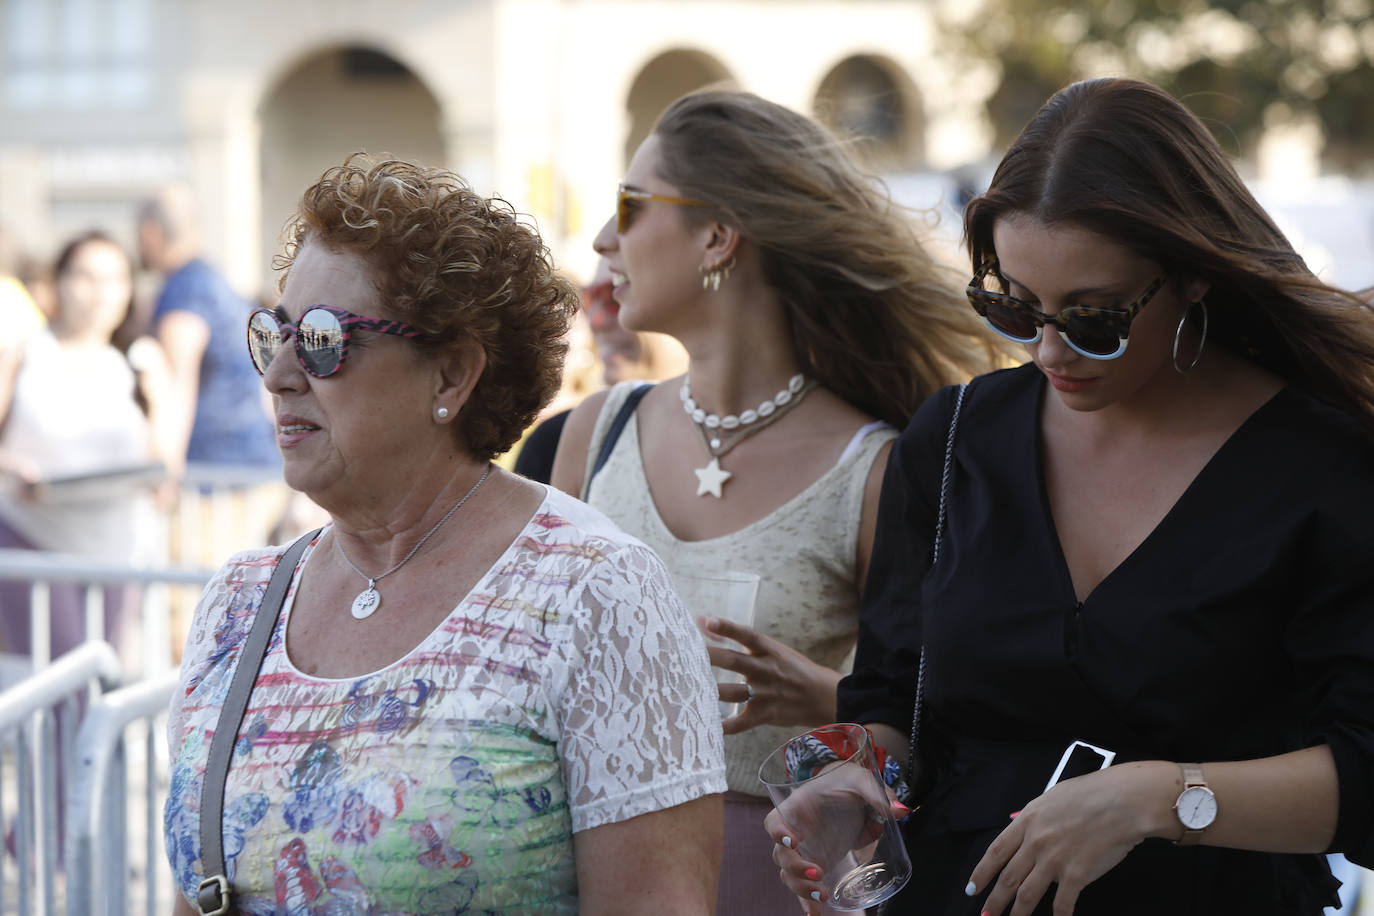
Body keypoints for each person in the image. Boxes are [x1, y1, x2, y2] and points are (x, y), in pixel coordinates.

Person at [767, 77, 1374, 915]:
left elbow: (1366, 769)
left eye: (1095, 319)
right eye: (1013, 307)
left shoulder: (1323, 462)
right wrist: (851, 781)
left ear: (1193, 277)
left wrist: (1157, 801)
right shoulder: (953, 440)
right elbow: (894, 704)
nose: (1050, 351)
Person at [162, 154, 726, 916]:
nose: (281, 375)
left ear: (452, 376)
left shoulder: (594, 597)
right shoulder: (240, 600)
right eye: (276, 332)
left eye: (325, 340)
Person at [549, 89, 1001, 915]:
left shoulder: (877, 469)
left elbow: (939, 729)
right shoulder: (593, 434)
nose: (603, 238)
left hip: (776, 884)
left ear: (717, 235)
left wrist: (831, 703)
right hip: (591, 868)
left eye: (630, 205)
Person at [0, 230, 169, 660]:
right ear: (58, 282)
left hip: (114, 549)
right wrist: (13, 470)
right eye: (86, 277)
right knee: (62, 687)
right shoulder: (22, 354)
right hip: (33, 537)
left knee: (101, 679)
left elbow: (164, 464)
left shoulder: (138, 363)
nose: (99, 293)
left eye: (114, 279)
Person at [138, 183, 279, 475]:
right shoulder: (218, 283)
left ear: (150, 234)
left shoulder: (184, 290)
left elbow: (178, 382)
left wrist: (166, 467)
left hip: (216, 474)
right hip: (256, 462)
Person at [513, 256, 686, 483]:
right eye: (590, 299)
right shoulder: (555, 440)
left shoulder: (734, 436)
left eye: (616, 294)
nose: (596, 320)